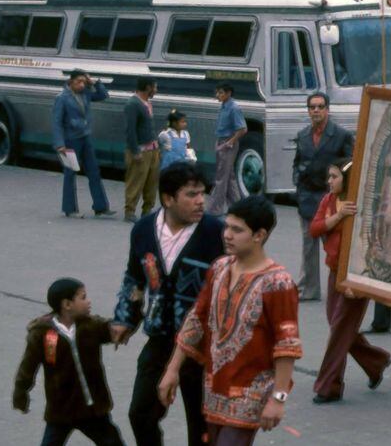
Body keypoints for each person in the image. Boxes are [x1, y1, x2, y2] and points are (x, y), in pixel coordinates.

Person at [162, 196, 302, 445]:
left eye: (237, 230)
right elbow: (196, 319)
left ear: (259, 235)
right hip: (214, 390)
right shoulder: (219, 268)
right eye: (227, 227)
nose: (227, 235)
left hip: (250, 395)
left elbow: (287, 345)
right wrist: (172, 370)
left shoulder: (278, 283)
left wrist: (278, 399)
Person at [112, 162, 226, 446]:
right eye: (191, 194)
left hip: (203, 345)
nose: (201, 201)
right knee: (141, 414)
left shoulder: (217, 233)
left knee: (202, 428)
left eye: (202, 193)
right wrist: (125, 319)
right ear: (168, 198)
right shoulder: (143, 231)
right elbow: (135, 279)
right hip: (162, 338)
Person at [307, 160, 391, 402]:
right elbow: (315, 229)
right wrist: (338, 216)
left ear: (348, 179)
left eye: (334, 177)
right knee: (339, 326)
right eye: (329, 176)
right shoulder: (329, 201)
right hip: (335, 271)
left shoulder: (363, 204)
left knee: (339, 330)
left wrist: (360, 281)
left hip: (356, 274)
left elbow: (372, 242)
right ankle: (376, 362)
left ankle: (328, 386)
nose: (329, 181)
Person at [13, 278, 125, 446]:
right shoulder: (42, 334)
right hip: (61, 410)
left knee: (112, 442)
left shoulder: (91, 326)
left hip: (92, 409)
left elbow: (115, 329)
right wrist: (21, 391)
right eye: (83, 297)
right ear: (67, 304)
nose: (88, 301)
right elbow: (27, 367)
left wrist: (129, 317)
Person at [292, 91, 356, 305]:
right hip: (308, 197)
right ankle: (309, 287)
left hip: (331, 197)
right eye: (312, 107)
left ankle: (343, 283)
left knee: (335, 245)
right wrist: (298, 187)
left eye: (320, 106)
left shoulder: (341, 135)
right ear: (308, 111)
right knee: (307, 244)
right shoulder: (302, 135)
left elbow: (350, 165)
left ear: (327, 109)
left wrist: (343, 192)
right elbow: (297, 163)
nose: (316, 110)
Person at [51, 69, 114, 219]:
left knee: (94, 171)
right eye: (78, 82)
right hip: (70, 140)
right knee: (70, 174)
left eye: (83, 82)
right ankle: (70, 209)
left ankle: (100, 207)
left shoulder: (85, 93)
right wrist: (60, 144)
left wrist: (95, 83)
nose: (81, 85)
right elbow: (57, 122)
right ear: (70, 81)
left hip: (85, 137)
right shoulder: (62, 98)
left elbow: (103, 95)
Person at [123, 77, 160, 224]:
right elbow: (129, 130)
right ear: (148, 87)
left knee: (151, 183)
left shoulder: (147, 103)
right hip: (140, 151)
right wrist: (135, 151)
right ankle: (130, 211)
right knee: (136, 182)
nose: (156, 91)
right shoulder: (132, 104)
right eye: (155, 87)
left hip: (153, 150)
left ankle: (147, 210)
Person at [207, 82, 247, 216]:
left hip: (227, 143)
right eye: (217, 92)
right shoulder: (224, 106)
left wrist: (230, 142)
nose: (217, 95)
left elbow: (242, 129)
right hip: (221, 141)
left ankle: (214, 210)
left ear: (228, 93)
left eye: (221, 93)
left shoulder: (234, 108)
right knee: (229, 177)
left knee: (221, 177)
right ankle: (237, 207)